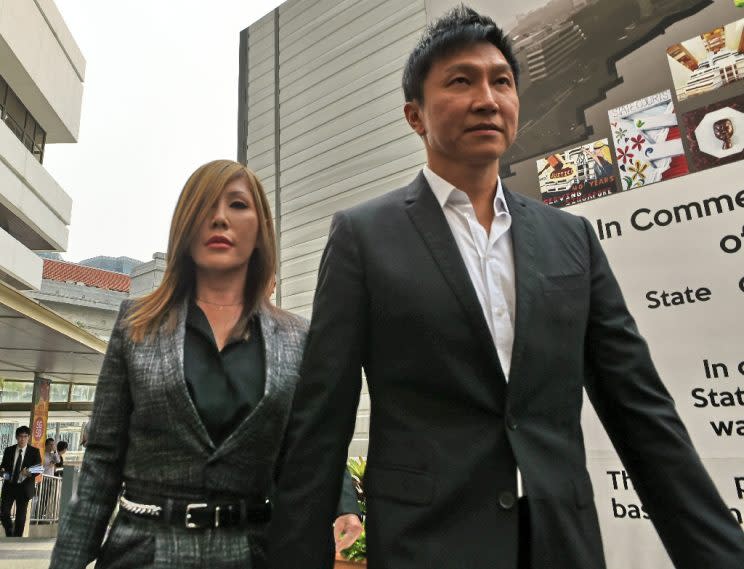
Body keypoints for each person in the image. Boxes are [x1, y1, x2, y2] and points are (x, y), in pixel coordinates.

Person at [268, 7, 744, 569]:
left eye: (502, 81)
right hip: (429, 544)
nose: (487, 99)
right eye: (461, 81)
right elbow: (322, 421)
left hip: (560, 542)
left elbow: (640, 409)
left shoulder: (572, 240)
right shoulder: (363, 237)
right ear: (415, 116)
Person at [49, 160, 358, 568]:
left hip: (254, 552)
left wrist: (345, 505)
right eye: (205, 206)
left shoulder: (298, 338)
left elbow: (309, 450)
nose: (219, 218)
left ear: (261, 228)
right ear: (185, 227)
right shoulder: (136, 325)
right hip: (145, 551)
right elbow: (102, 463)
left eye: (237, 205)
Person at [0, 426, 42, 537]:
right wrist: (3, 472)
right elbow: (3, 467)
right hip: (9, 486)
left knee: (20, 516)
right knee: (3, 512)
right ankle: (9, 533)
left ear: (28, 437)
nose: (22, 439)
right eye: (20, 437)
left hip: (24, 487)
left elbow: (39, 468)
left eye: (25, 436)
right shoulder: (9, 450)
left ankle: (17, 538)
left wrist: (28, 471)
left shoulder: (34, 451)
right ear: (16, 437)